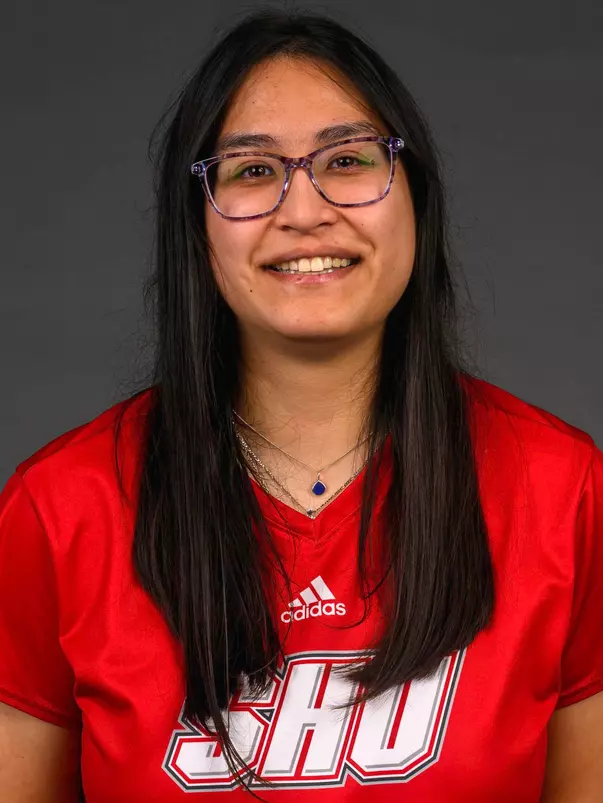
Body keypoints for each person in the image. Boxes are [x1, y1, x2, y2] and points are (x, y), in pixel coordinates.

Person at [1, 9, 602, 803]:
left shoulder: (563, 491)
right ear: (197, 225)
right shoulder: (59, 507)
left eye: (347, 159)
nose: (304, 208)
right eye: (251, 170)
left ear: (414, 194)